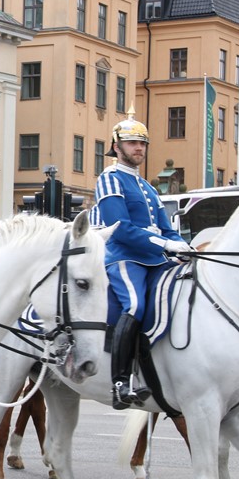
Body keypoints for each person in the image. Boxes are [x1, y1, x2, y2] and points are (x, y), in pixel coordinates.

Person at [90, 107, 192, 409]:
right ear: (117, 146)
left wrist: (182, 246)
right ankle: (120, 381)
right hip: (124, 258)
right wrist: (163, 244)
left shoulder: (147, 187)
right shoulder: (110, 178)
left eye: (143, 144)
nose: (139, 148)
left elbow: (165, 227)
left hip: (155, 259)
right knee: (135, 305)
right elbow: (119, 228)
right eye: (133, 143)